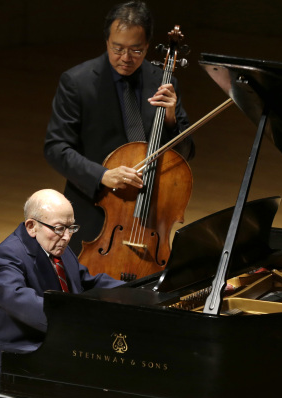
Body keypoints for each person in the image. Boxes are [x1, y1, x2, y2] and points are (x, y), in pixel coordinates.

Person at [0, 189, 179, 398]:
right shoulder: (8, 256)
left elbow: (88, 281)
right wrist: (76, 324)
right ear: (31, 226)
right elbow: (19, 300)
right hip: (16, 352)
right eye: (60, 228)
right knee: (92, 380)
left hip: (53, 341)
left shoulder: (56, 246)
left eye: (71, 228)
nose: (67, 236)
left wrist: (146, 292)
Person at [44, 0, 194, 256]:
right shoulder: (77, 83)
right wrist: (102, 174)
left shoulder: (163, 82)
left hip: (148, 217)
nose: (125, 58)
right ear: (107, 42)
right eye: (118, 48)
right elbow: (56, 148)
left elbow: (186, 153)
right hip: (95, 213)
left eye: (136, 50)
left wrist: (170, 117)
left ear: (147, 46)